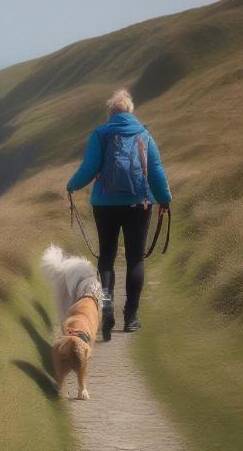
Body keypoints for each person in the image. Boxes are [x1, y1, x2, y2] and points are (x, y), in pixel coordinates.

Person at [66, 89, 171, 340]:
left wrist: (71, 186)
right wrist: (165, 200)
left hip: (105, 205)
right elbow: (155, 171)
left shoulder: (101, 135)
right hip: (139, 203)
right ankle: (132, 317)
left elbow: (88, 169)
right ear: (130, 112)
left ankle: (106, 305)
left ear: (110, 113)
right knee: (136, 258)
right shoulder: (144, 135)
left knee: (107, 258)